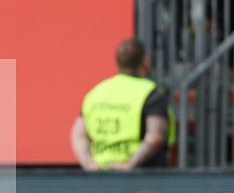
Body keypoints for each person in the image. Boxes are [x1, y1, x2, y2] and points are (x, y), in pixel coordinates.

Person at [71, 38, 171, 171]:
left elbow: (78, 134)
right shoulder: (151, 92)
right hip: (143, 177)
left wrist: (88, 164)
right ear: (145, 61)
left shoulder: (96, 93)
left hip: (100, 174)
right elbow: (155, 137)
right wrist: (129, 165)